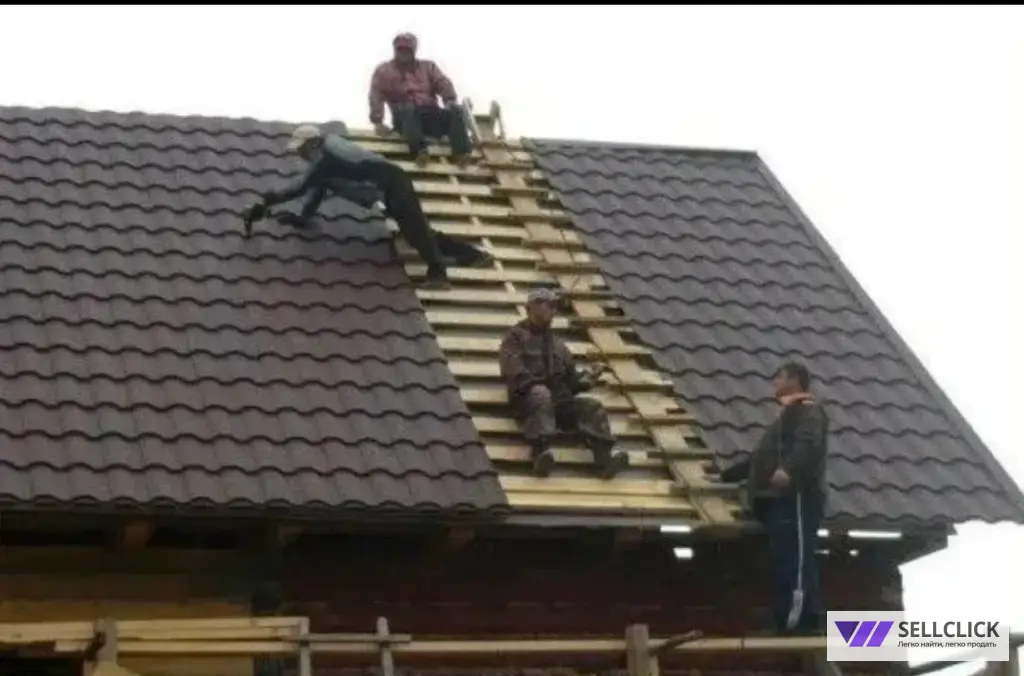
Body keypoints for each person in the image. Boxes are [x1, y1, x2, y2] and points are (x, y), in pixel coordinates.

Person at [258, 124, 492, 290]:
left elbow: (301, 186)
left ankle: (439, 274)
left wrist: (269, 200)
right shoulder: (326, 162)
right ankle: (473, 256)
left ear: (314, 143)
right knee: (414, 231)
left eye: (302, 149)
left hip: (393, 182)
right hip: (388, 187)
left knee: (416, 231)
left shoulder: (328, 154)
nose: (301, 155)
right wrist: (302, 218)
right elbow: (316, 191)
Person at [720, 361, 829, 636]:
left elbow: (808, 444)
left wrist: (788, 471)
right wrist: (725, 476)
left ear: (795, 380)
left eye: (780, 377)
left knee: (797, 560)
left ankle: (799, 622)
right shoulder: (786, 417)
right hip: (779, 502)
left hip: (797, 498)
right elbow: (761, 459)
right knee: (785, 559)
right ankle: (791, 619)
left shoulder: (808, 411)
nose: (775, 382)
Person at [498, 288, 629, 479]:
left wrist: (587, 379)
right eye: (544, 305)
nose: (550, 310)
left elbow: (571, 382)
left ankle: (604, 459)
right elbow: (512, 370)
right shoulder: (515, 338)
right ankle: (540, 453)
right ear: (530, 309)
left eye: (552, 307)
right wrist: (536, 384)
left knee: (592, 406)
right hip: (528, 403)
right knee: (541, 394)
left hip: (558, 405)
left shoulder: (558, 346)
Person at [369, 32, 474, 168]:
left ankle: (461, 154)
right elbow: (376, 94)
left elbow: (442, 82)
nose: (403, 53)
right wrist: (378, 121)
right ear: (395, 50)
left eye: (407, 50)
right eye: (400, 49)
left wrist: (449, 99)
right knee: (410, 110)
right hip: (405, 118)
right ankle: (420, 152)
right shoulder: (384, 71)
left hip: (430, 114)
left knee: (456, 112)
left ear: (413, 51)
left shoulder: (428, 67)